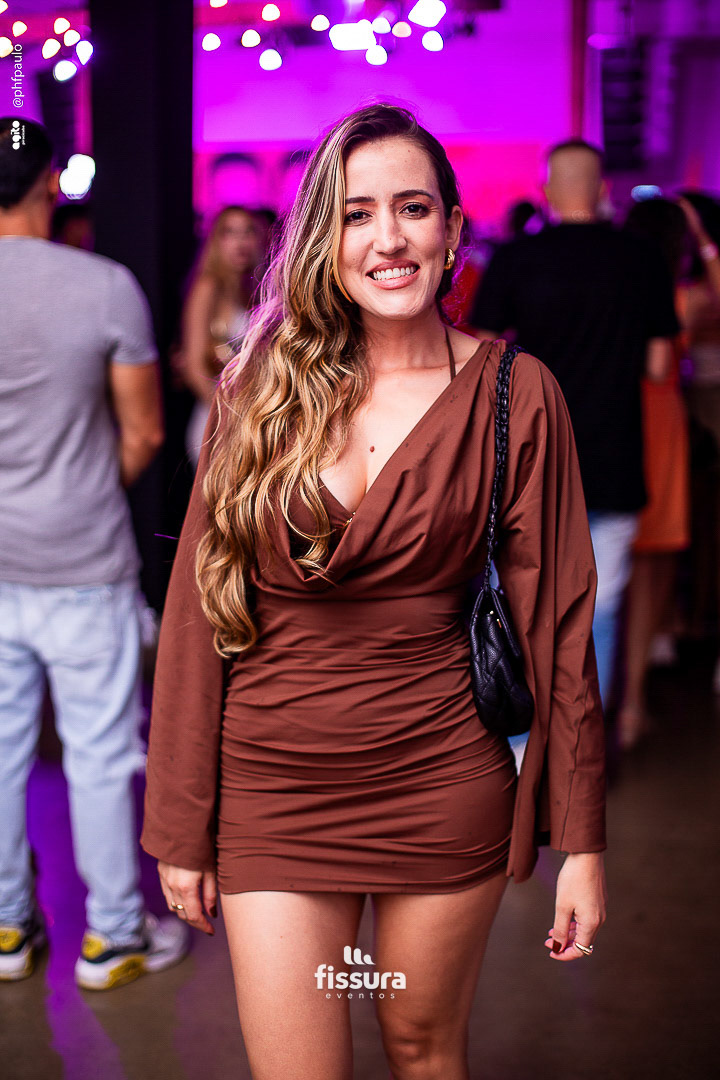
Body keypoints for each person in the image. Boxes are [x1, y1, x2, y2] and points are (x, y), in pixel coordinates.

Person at [141, 104, 607, 1078]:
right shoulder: (261, 387)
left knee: (424, 1049)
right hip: (271, 785)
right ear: (325, 236)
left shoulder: (516, 394)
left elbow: (561, 627)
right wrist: (182, 820)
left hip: (442, 779)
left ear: (452, 228)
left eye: (412, 208)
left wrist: (583, 843)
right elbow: (197, 609)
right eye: (357, 214)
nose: (388, 238)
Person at [0, 117, 188, 989]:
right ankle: (112, 937)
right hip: (81, 558)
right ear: (52, 184)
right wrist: (73, 490)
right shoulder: (105, 285)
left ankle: (8, 928)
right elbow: (144, 432)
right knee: (102, 753)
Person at [470, 138, 679, 712]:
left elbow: (482, 359)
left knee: (521, 604)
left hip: (530, 458)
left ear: (545, 192)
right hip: (615, 455)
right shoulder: (641, 257)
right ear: (604, 189)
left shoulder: (515, 258)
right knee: (600, 609)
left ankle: (521, 745)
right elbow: (660, 365)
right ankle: (583, 742)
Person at [616, 197, 692, 748]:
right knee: (650, 566)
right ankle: (632, 703)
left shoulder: (620, 284)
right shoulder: (677, 294)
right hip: (659, 422)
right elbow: (662, 364)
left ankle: (608, 698)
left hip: (620, 414)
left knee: (608, 569)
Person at [178, 205, 262, 467]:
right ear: (216, 240)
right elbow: (193, 367)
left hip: (249, 415)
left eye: (247, 232)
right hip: (217, 417)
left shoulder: (252, 290)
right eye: (230, 232)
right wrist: (227, 417)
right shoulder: (208, 287)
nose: (240, 241)